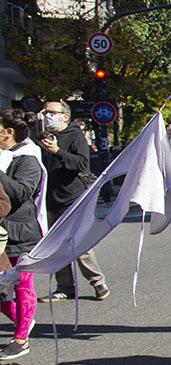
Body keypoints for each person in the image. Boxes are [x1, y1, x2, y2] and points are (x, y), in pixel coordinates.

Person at [35, 100, 108, 302]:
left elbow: (82, 163)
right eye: (45, 112)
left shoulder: (75, 135)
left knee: (78, 243)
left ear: (65, 116)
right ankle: (65, 287)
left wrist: (57, 151)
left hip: (71, 198)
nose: (47, 115)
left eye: (52, 112)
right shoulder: (42, 137)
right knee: (56, 246)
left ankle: (98, 282)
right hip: (49, 199)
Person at [0, 112, 45, 359]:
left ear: (8, 132)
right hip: (1, 233)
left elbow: (22, 192)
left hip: (21, 233)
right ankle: (23, 320)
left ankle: (20, 339)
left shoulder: (27, 158)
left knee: (22, 285)